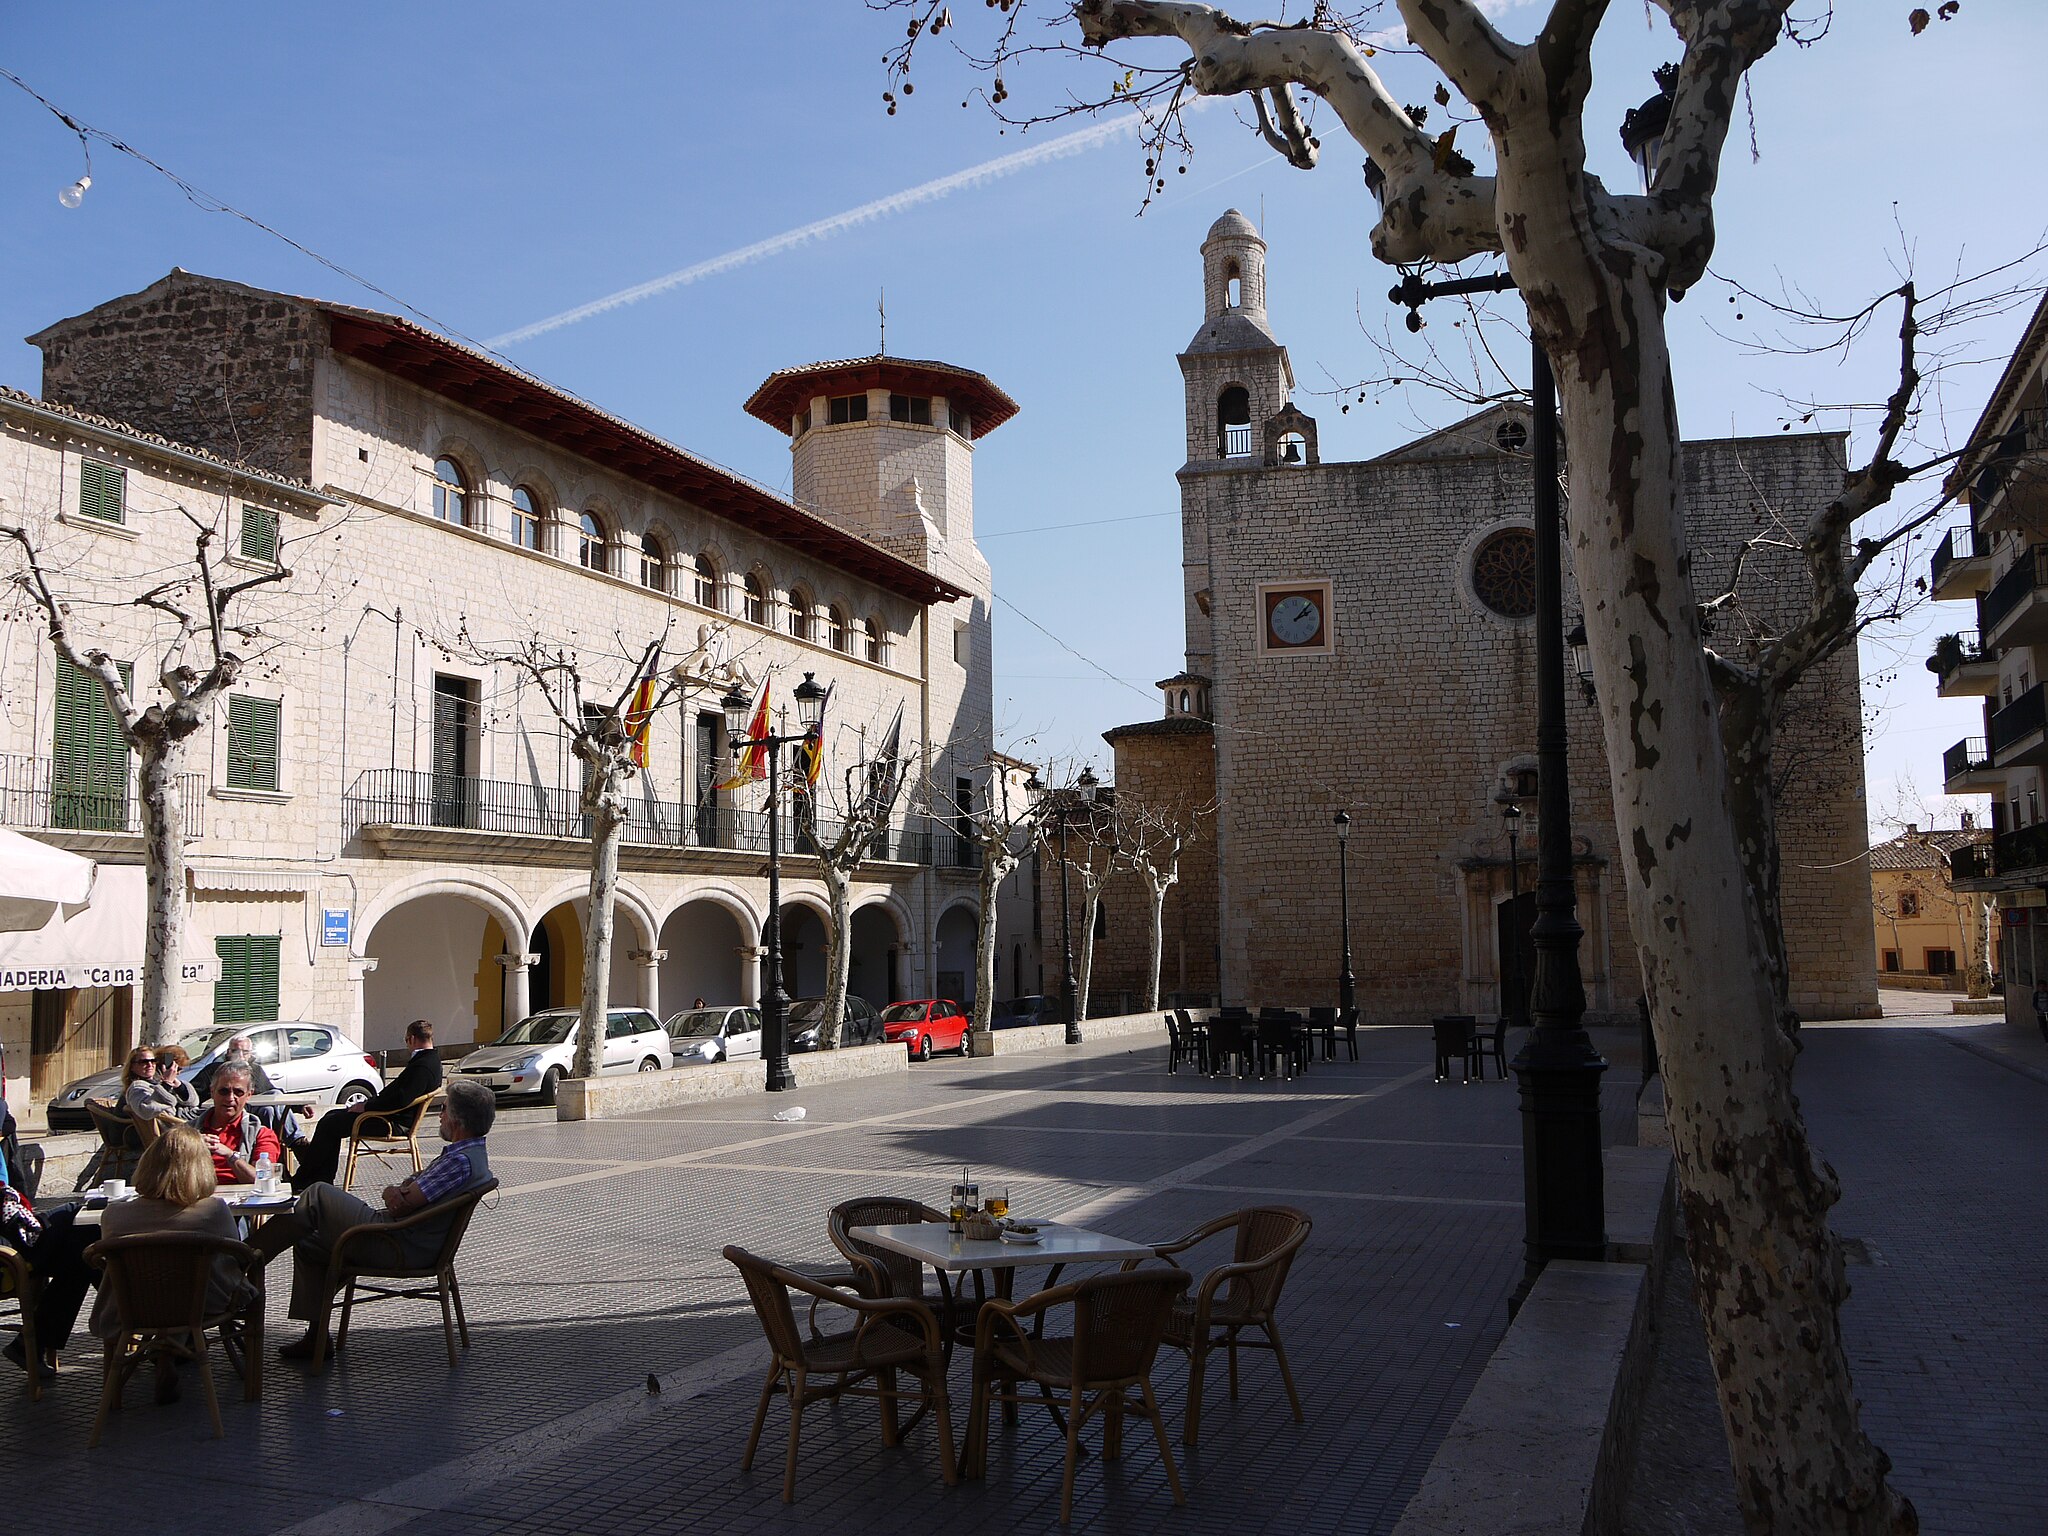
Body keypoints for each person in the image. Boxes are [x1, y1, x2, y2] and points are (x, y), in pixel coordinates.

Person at [254, 1078, 495, 1361]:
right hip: (405, 1237)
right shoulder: (470, 1154)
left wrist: (394, 1190)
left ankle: (246, 1258)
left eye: (444, 1110)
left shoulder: (459, 1161)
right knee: (311, 1243)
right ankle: (316, 1335)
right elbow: (412, 1188)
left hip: (396, 1241)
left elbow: (400, 1205)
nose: (439, 1115)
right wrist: (406, 1186)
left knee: (317, 1194)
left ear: (457, 1119)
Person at [89, 1123, 256, 1404]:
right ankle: (174, 1352)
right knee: (194, 1284)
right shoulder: (213, 1212)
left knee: (163, 1288)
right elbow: (237, 1259)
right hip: (201, 1305)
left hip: (133, 1307)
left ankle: (160, 1353)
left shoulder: (114, 1215)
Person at [289, 1019, 443, 1192]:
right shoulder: (430, 1061)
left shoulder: (423, 1065)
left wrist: (367, 1107)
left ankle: (308, 1179)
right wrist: (368, 1103)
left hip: (391, 1122)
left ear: (413, 1039)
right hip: (388, 1115)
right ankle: (319, 1178)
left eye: (406, 1040)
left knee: (329, 1124)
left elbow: (400, 1098)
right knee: (331, 1118)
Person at [1, 1177, 96, 1382]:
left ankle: (28, 1347)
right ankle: (138, 1319)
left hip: (18, 1229)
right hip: (9, 1250)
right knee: (80, 1227)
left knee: (79, 1252)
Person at [196, 1062, 281, 1185]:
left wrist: (230, 1156)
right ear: (212, 1092)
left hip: (241, 1200)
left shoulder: (262, 1135)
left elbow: (262, 1181)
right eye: (224, 1091)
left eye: (238, 1092)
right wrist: (191, 1146)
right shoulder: (188, 1132)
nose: (230, 1098)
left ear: (249, 1095)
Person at [120, 1046, 184, 1123]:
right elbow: (146, 1110)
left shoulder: (156, 1083)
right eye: (144, 1062)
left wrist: (178, 1086)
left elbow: (192, 1103)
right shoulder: (136, 1087)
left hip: (185, 1120)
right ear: (132, 1067)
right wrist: (167, 1083)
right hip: (176, 1129)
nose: (150, 1065)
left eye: (153, 1061)